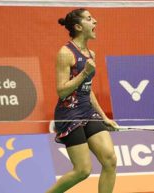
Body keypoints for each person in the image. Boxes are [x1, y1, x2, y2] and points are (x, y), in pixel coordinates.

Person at [46, 8, 118, 193]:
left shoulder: (90, 54)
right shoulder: (65, 53)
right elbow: (62, 91)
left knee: (110, 160)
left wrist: (103, 117)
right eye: (89, 19)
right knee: (83, 170)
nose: (95, 22)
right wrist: (85, 73)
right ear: (78, 26)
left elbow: (88, 89)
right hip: (69, 114)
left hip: (87, 110)